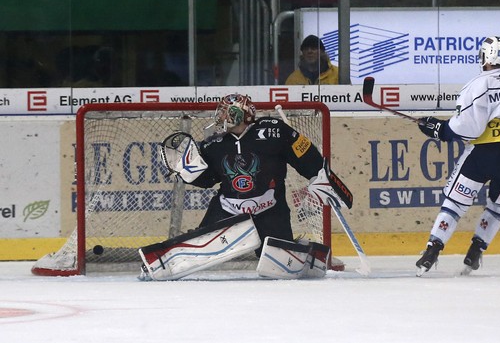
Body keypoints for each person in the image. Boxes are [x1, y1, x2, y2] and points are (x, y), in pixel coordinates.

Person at [139, 93, 352, 280]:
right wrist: (187, 172)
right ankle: (165, 262)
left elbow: (304, 154)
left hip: (270, 209)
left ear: (240, 114)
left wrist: (319, 175)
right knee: (202, 244)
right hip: (228, 210)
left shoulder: (274, 131)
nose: (221, 117)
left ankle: (309, 255)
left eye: (226, 112)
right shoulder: (214, 144)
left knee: (282, 261)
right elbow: (207, 180)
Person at [415, 36, 500, 277]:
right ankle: (475, 250)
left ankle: (432, 250)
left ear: (485, 57)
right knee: (498, 207)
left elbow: (467, 127)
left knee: (455, 203)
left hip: (485, 153)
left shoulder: (478, 84)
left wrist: (440, 130)